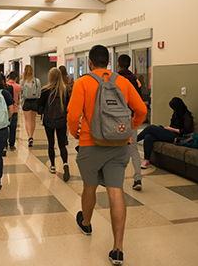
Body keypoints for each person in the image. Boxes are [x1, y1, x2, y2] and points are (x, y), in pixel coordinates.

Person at [67, 45, 147, 265]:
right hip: (119, 143)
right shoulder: (123, 81)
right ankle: (118, 248)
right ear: (109, 63)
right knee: (116, 191)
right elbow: (141, 110)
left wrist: (76, 133)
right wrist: (129, 127)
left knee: (89, 187)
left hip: (90, 143)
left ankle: (87, 224)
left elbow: (73, 115)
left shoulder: (83, 82)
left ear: (90, 62)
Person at [138, 97, 193, 169]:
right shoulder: (176, 114)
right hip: (170, 132)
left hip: (177, 137)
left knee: (151, 128)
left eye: (174, 108)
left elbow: (186, 131)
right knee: (148, 136)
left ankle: (132, 141)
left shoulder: (187, 116)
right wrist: (167, 128)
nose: (173, 110)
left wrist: (171, 129)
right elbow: (172, 125)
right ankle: (147, 161)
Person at [117, 54, 144, 190]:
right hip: (131, 119)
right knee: (134, 150)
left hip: (117, 120)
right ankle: (138, 178)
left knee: (116, 149)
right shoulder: (136, 81)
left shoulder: (114, 80)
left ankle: (116, 180)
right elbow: (139, 104)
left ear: (118, 64)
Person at [38, 67, 70, 181]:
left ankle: (52, 165)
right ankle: (65, 163)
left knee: (51, 143)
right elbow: (68, 106)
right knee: (62, 145)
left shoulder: (45, 90)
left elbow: (39, 107)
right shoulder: (64, 90)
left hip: (49, 121)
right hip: (61, 120)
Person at [20, 65, 41, 147]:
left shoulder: (22, 81)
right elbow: (39, 92)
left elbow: (21, 93)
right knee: (33, 120)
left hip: (26, 101)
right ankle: (32, 135)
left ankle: (29, 136)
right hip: (35, 101)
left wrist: (21, 103)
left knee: (27, 120)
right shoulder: (37, 81)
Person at [59, 65, 74, 145]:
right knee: (67, 121)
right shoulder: (70, 80)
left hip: (61, 102)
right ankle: (66, 136)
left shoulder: (58, 81)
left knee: (62, 119)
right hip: (69, 102)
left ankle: (62, 135)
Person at [6, 71, 21, 150]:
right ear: (16, 78)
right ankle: (12, 144)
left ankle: (5, 143)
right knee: (13, 127)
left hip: (6, 110)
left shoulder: (4, 86)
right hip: (14, 110)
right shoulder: (18, 86)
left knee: (5, 127)